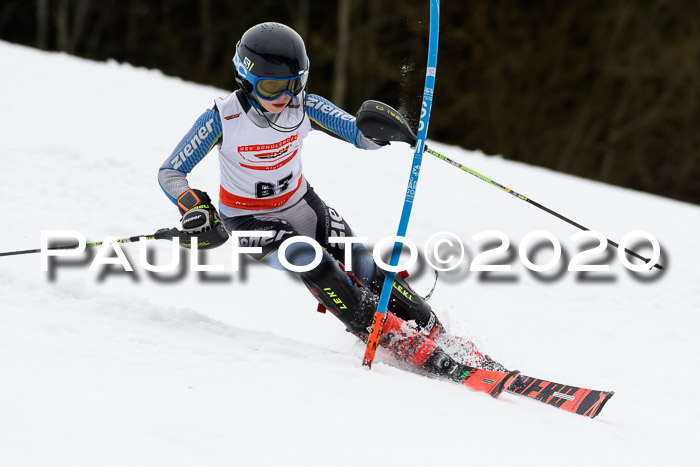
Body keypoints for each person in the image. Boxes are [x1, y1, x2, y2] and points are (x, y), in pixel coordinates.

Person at [157, 22, 476, 378]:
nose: (287, 96)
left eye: (296, 83)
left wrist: (382, 133)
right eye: (273, 86)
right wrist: (193, 205)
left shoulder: (305, 106)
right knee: (314, 262)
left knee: (362, 264)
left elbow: (356, 133)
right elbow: (170, 172)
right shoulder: (222, 118)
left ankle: (435, 333)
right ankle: (384, 333)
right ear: (246, 82)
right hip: (248, 220)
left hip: (303, 206)